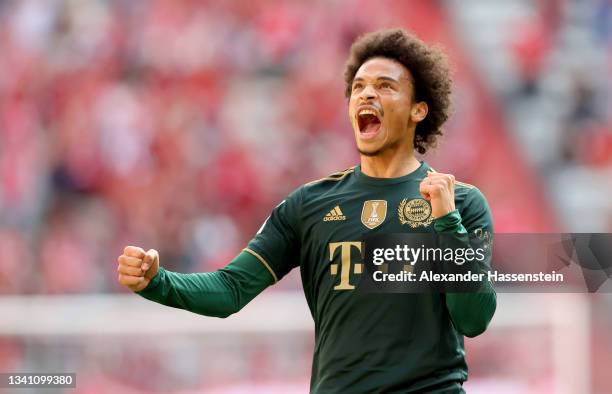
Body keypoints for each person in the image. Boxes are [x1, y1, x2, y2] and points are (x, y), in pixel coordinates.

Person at [116, 28, 496, 393]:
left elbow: (474, 318)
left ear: (418, 109)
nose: (366, 95)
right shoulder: (310, 205)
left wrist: (448, 223)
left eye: (385, 86)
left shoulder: (460, 203)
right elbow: (230, 290)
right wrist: (157, 282)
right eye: (358, 87)